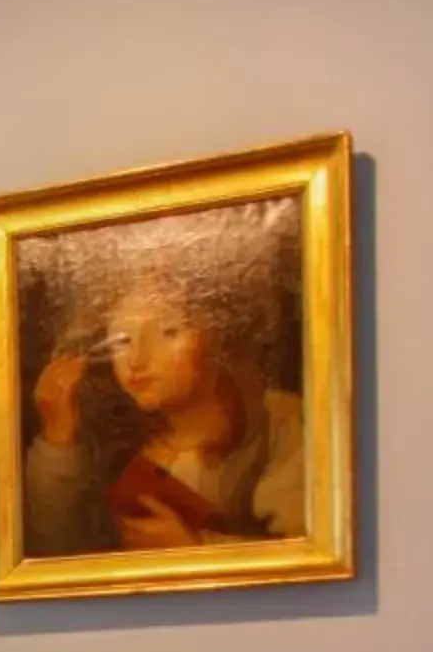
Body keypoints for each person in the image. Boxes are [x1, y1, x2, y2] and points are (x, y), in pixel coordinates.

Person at [21, 213, 305, 558]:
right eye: (121, 340)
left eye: (169, 332)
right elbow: (57, 556)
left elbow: (312, 558)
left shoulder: (284, 425)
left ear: (220, 335)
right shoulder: (116, 440)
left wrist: (197, 550)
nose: (137, 360)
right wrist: (57, 439)